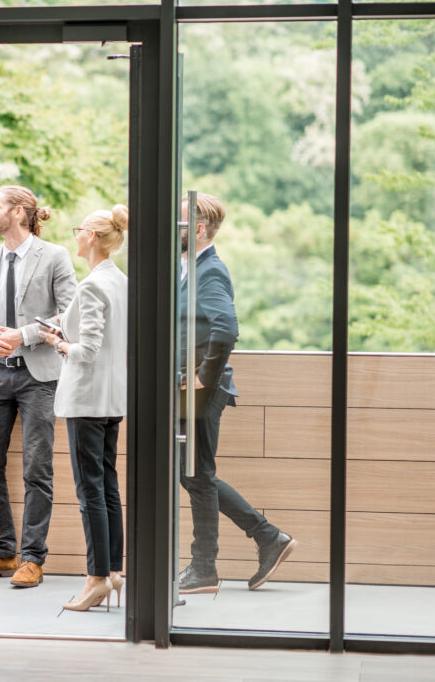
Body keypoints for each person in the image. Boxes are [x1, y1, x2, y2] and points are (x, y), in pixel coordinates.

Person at [178, 193, 297, 594]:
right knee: (194, 475)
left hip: (202, 390)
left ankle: (205, 567)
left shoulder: (210, 270)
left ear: (197, 229)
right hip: (189, 389)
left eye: (176, 223)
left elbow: (226, 328)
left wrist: (202, 378)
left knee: (196, 475)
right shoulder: (188, 268)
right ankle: (267, 538)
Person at [0, 185, 78, 588]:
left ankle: (32, 558)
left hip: (39, 377)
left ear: (18, 213)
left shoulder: (55, 257)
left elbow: (69, 315)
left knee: (37, 469)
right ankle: (1, 552)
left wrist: (23, 335)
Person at [39, 205, 128, 611]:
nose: (74, 236)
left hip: (87, 399)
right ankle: (113, 572)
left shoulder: (91, 285)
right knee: (107, 487)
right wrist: (65, 328)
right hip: (112, 399)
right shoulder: (120, 282)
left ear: (92, 237)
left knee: (89, 491)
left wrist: (57, 343)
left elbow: (87, 350)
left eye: (78, 230)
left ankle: (95, 579)